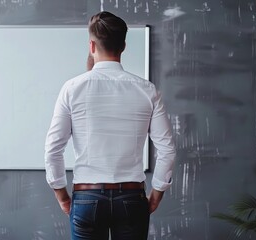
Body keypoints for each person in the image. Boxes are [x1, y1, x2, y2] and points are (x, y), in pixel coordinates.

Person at [44, 11, 176, 240]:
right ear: (123, 46)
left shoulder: (72, 88)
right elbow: (167, 149)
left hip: (86, 198)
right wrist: (157, 193)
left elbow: (53, 148)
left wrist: (62, 196)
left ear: (91, 46)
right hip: (132, 198)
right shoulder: (147, 90)